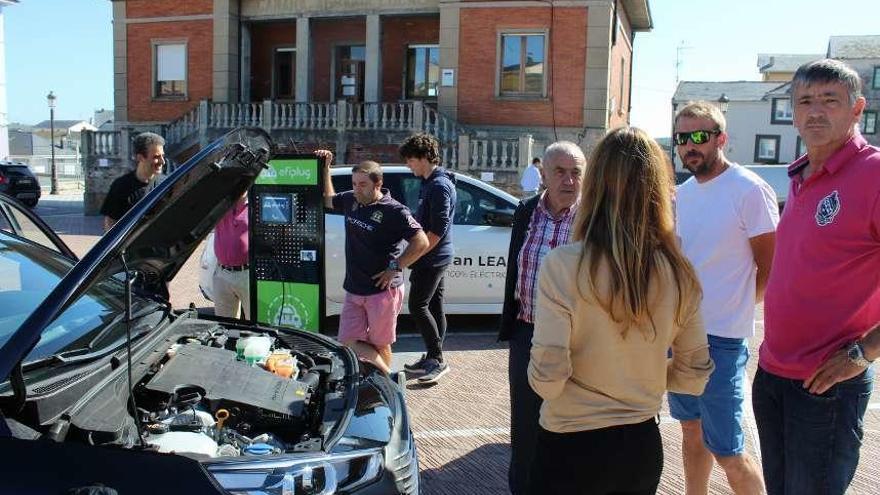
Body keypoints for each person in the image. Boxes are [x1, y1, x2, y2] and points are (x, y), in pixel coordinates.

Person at [528, 127, 714, 495]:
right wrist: (637, 372)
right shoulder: (680, 273)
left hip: (569, 442)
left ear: (594, 185)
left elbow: (547, 379)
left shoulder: (563, 265)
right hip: (640, 446)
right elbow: (694, 377)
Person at [754, 58, 880, 495]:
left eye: (830, 100)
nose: (815, 112)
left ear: (857, 109)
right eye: (805, 101)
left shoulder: (874, 173)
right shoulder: (801, 172)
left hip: (828, 385)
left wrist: (864, 352)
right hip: (773, 374)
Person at [670, 101, 778, 495]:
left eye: (700, 136)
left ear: (721, 139)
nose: (690, 146)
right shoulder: (681, 195)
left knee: (729, 452)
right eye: (683, 138)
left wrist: (738, 309)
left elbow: (771, 264)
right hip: (680, 337)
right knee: (690, 432)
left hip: (723, 341)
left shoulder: (749, 189)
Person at [498, 140, 585, 495]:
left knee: (573, 424)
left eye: (576, 173)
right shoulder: (527, 210)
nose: (568, 180)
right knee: (525, 425)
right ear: (543, 174)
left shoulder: (593, 217)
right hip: (527, 333)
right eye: (560, 172)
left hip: (577, 340)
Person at [318, 150, 429, 373]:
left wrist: (395, 267)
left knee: (380, 343)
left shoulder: (395, 211)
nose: (356, 189)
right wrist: (325, 169)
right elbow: (328, 201)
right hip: (354, 287)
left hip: (382, 290)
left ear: (378, 184)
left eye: (362, 185)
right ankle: (389, 379)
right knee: (348, 341)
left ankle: (381, 385)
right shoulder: (351, 199)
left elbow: (422, 242)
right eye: (354, 183)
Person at [399, 134, 457, 384]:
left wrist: (417, 252)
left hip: (433, 257)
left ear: (423, 158)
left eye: (411, 160)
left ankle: (437, 359)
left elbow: (438, 229)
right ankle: (433, 357)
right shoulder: (429, 182)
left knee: (418, 305)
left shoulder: (439, 186)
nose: (408, 165)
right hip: (434, 256)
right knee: (433, 306)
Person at [100, 132, 166, 231]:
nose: (162, 161)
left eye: (162, 156)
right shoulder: (121, 186)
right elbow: (110, 221)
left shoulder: (166, 184)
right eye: (156, 157)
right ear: (140, 157)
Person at [213, 191, 250, 319]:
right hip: (222, 273)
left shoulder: (255, 205)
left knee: (254, 325)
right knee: (224, 326)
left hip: (247, 274)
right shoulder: (220, 205)